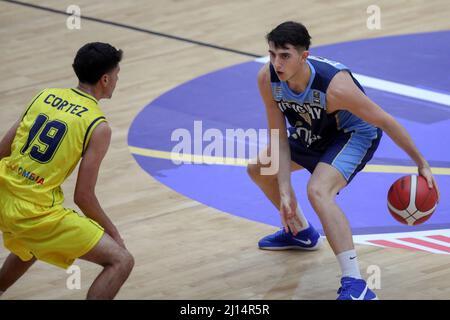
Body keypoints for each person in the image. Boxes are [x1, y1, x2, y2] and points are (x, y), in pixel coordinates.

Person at [247, 21, 440, 300]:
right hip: (312, 131)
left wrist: (420, 162)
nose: (277, 62)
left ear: (304, 57)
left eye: (285, 55)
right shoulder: (267, 79)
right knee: (258, 170)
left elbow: (385, 121)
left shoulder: (336, 86)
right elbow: (278, 135)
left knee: (318, 191)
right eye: (272, 54)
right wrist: (285, 189)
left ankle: (356, 283)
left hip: (352, 134)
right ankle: (300, 232)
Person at [0, 42, 134, 300]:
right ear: (105, 79)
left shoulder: (44, 96)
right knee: (121, 260)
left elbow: (2, 151)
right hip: (34, 212)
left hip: (3, 194)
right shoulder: (97, 125)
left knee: (31, 245)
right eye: (117, 74)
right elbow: (83, 196)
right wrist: (114, 233)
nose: (117, 79)